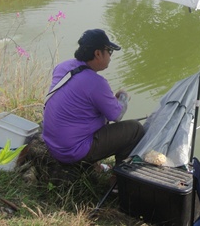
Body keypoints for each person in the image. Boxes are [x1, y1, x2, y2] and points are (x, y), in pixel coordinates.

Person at [42, 29, 144, 168]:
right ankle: (119, 178)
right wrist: (123, 97)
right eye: (109, 51)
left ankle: (98, 167)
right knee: (135, 129)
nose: (110, 56)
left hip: (53, 144)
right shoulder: (96, 82)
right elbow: (117, 115)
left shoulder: (63, 66)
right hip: (71, 152)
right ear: (97, 53)